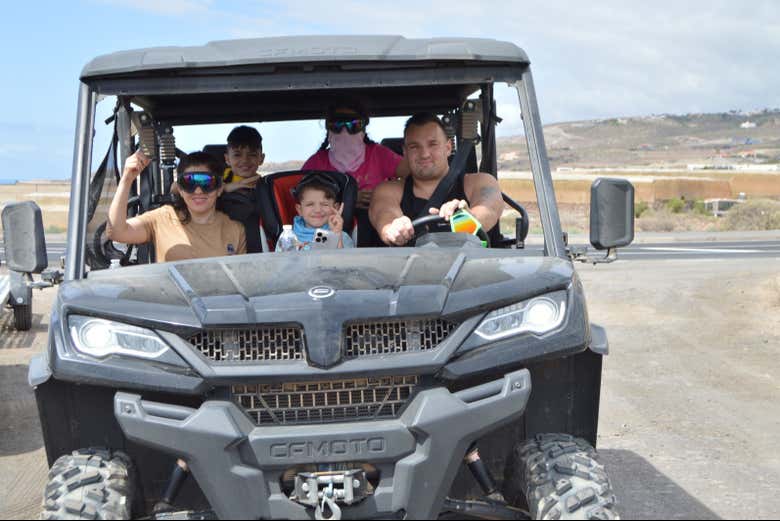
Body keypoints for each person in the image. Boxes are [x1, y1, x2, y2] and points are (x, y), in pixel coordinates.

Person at [369, 112, 504, 246]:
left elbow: (489, 208)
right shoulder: (389, 190)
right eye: (414, 147)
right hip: (407, 266)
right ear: (405, 152)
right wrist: (393, 228)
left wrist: (468, 218)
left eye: (433, 144)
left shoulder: (479, 182)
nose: (424, 154)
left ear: (448, 147)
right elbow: (384, 213)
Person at [108, 150, 246, 262]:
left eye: (207, 183)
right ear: (179, 188)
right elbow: (116, 232)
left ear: (220, 188)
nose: (198, 191)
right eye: (189, 183)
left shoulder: (235, 229)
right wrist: (127, 179)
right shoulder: (162, 218)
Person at [302, 101, 409, 245]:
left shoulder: (379, 154)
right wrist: (349, 200)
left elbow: (416, 175)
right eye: (337, 125)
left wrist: (384, 195)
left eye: (354, 125)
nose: (345, 131)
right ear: (328, 129)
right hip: (330, 237)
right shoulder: (316, 163)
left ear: (364, 128)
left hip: (377, 235)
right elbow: (302, 200)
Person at [279, 174, 354, 250]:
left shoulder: (342, 236)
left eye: (325, 204)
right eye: (310, 204)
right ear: (300, 210)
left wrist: (336, 235)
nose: (317, 210)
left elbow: (343, 261)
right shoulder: (286, 239)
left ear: (336, 208)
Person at [222, 125, 264, 193]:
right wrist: (227, 187)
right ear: (227, 159)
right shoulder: (220, 176)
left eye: (252, 155)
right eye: (237, 155)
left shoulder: (264, 184)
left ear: (261, 159)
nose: (245, 160)